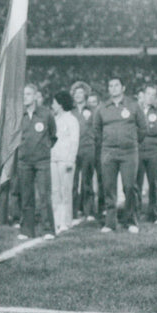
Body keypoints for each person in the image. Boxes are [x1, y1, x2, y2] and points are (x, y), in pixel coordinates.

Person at [92, 76, 146, 234]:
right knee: (108, 187)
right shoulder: (102, 107)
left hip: (129, 152)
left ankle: (131, 221)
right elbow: (96, 130)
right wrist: (107, 143)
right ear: (108, 89)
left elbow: (142, 129)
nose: (113, 88)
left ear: (123, 88)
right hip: (108, 152)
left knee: (129, 187)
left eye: (116, 85)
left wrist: (131, 142)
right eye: (110, 85)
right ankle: (110, 222)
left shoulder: (133, 106)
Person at [17, 84, 57, 240]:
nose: (24, 97)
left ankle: (48, 229)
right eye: (23, 94)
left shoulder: (46, 114)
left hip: (42, 162)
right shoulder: (18, 115)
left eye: (28, 94)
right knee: (26, 196)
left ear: (35, 96)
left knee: (44, 195)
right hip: (24, 161)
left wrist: (43, 149)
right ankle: (27, 229)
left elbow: (53, 136)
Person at [50, 91, 79, 234]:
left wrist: (70, 160)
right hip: (53, 159)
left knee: (65, 191)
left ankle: (66, 221)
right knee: (55, 191)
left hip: (65, 160)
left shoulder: (71, 120)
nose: (52, 105)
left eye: (54, 103)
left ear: (60, 104)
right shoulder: (54, 119)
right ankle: (56, 220)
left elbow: (74, 141)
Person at [135, 85, 157, 225]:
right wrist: (146, 128)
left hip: (153, 151)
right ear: (144, 94)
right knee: (137, 183)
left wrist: (142, 129)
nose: (150, 97)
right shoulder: (137, 109)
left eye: (153, 95)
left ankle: (154, 212)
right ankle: (136, 211)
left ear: (156, 97)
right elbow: (133, 128)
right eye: (148, 94)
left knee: (153, 183)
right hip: (139, 150)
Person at [70, 81, 97, 223]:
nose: (78, 95)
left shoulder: (92, 111)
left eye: (80, 93)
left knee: (87, 181)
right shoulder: (70, 111)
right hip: (73, 150)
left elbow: (97, 130)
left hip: (88, 149)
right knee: (72, 182)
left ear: (85, 94)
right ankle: (73, 211)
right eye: (76, 93)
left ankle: (89, 211)